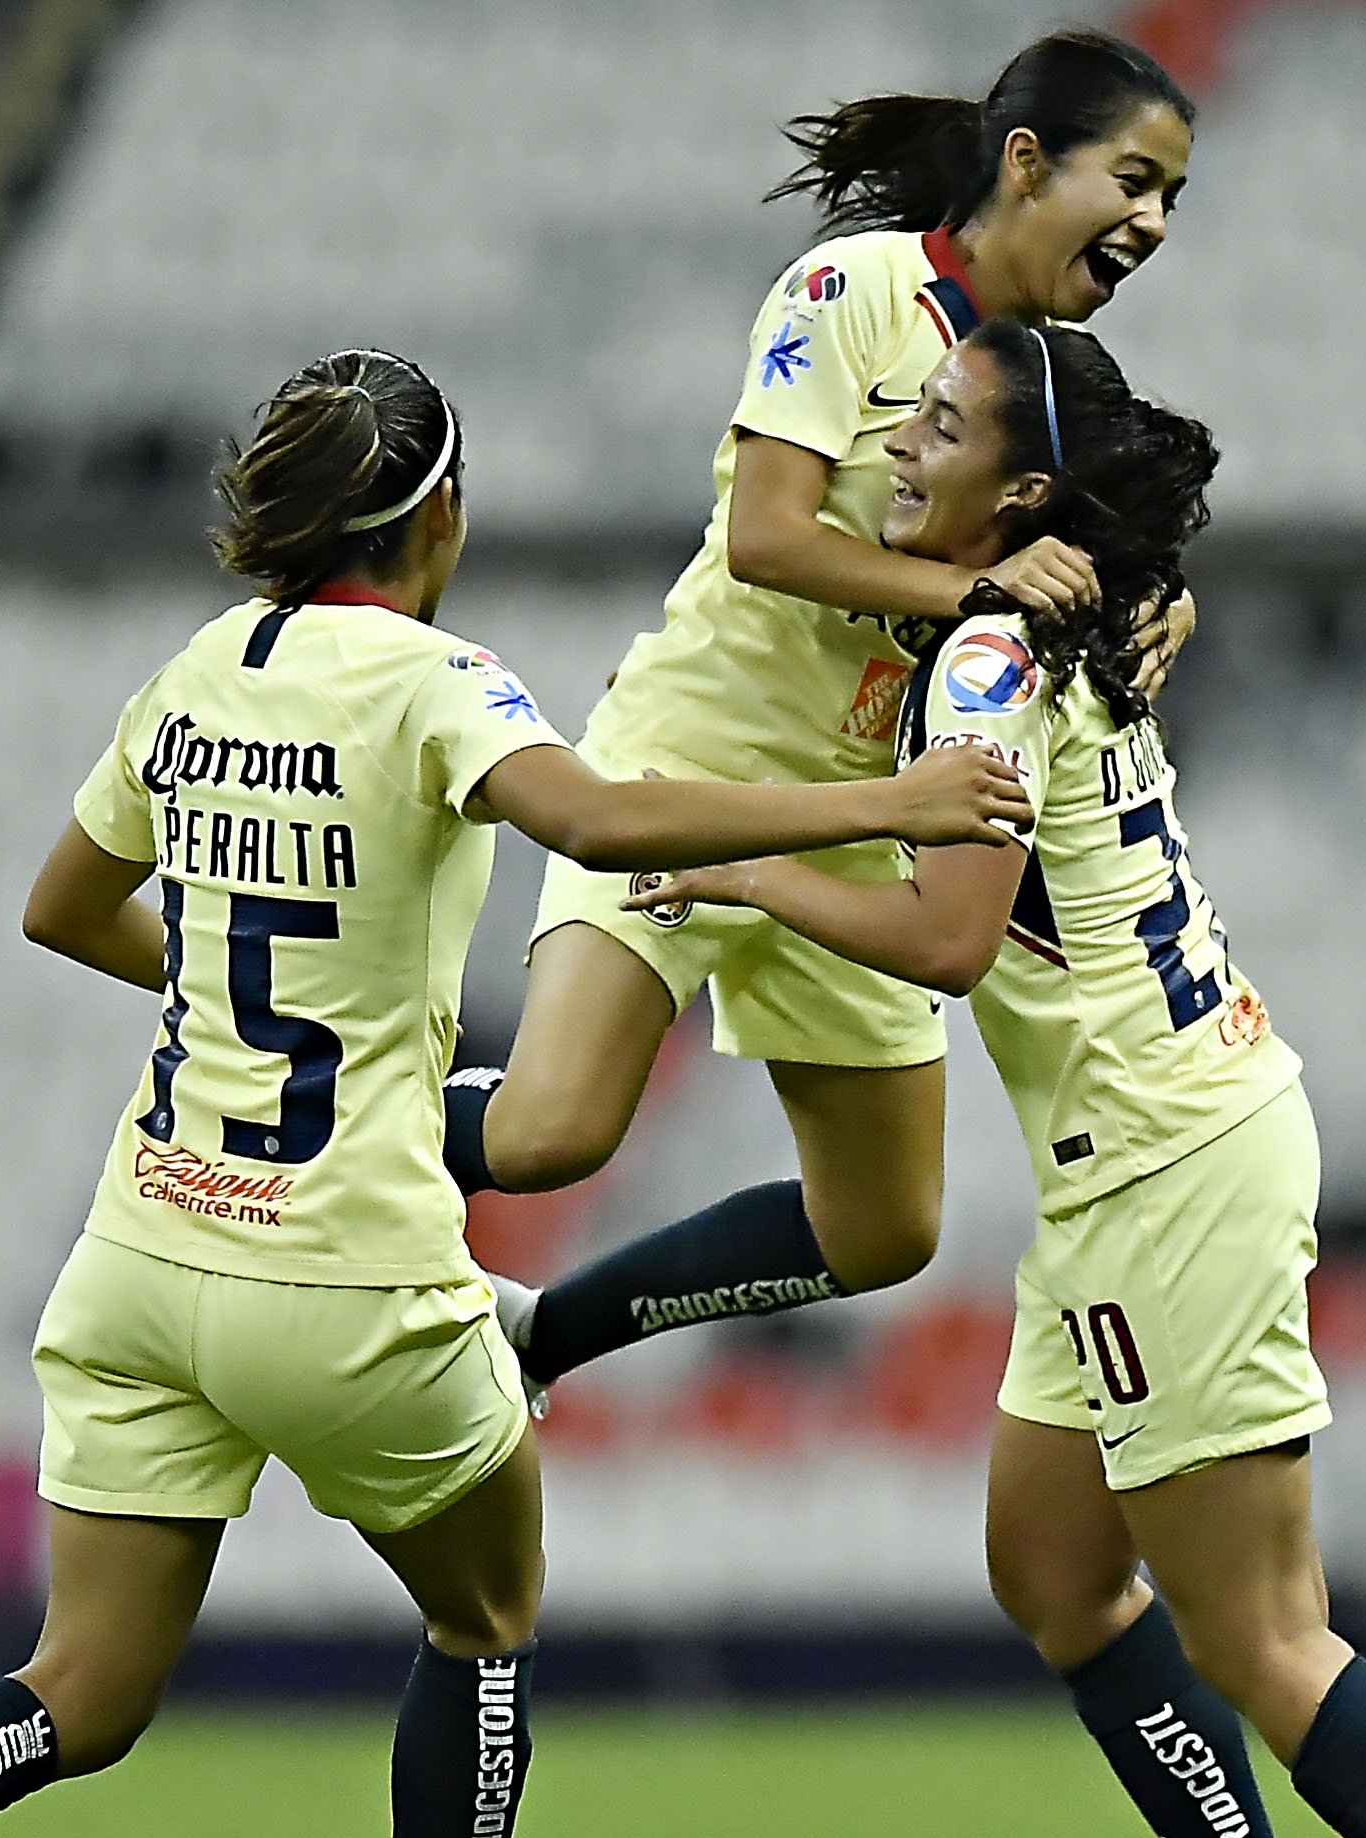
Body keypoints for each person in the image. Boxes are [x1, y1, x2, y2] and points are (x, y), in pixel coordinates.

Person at [0, 349, 1035, 1838]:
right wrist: (887, 803)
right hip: (352, 1277)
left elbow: (61, 908)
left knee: (71, 1690)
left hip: (145, 1257)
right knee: (486, 1612)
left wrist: (253, 1008)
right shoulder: (441, 682)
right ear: (436, 516)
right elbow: (600, 821)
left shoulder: (191, 676)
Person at [628, 324, 1366, 1838]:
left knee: (1260, 1628)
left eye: (934, 422)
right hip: (1137, 1159)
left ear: (1022, 493)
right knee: (1054, 1565)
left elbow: (948, 941)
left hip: (1174, 1163)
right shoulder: (1048, 616)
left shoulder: (995, 660)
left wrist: (750, 865)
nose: (896, 435)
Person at [442, 29, 1200, 1398]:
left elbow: (1094, 566)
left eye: (1172, 199)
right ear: (1028, 164)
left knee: (883, 1228)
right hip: (697, 759)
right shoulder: (851, 290)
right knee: (553, 1131)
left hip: (867, 816)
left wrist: (1156, 609)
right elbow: (768, 539)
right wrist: (971, 582)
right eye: (1134, 180)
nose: (1151, 220)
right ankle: (274, 1127)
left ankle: (540, 1333)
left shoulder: (1045, 373)